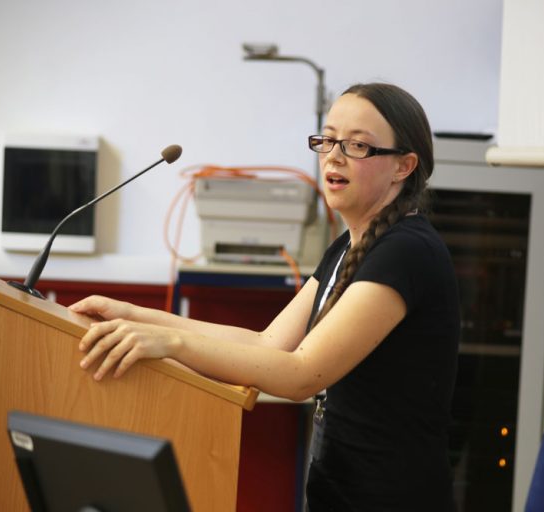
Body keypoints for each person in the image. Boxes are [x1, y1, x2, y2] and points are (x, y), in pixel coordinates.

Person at [71, 82, 460, 511]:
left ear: (404, 166)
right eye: (328, 140)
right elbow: (268, 344)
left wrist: (171, 344)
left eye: (357, 146)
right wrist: (135, 315)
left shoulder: (407, 251)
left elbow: (301, 374)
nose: (333, 156)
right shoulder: (349, 246)